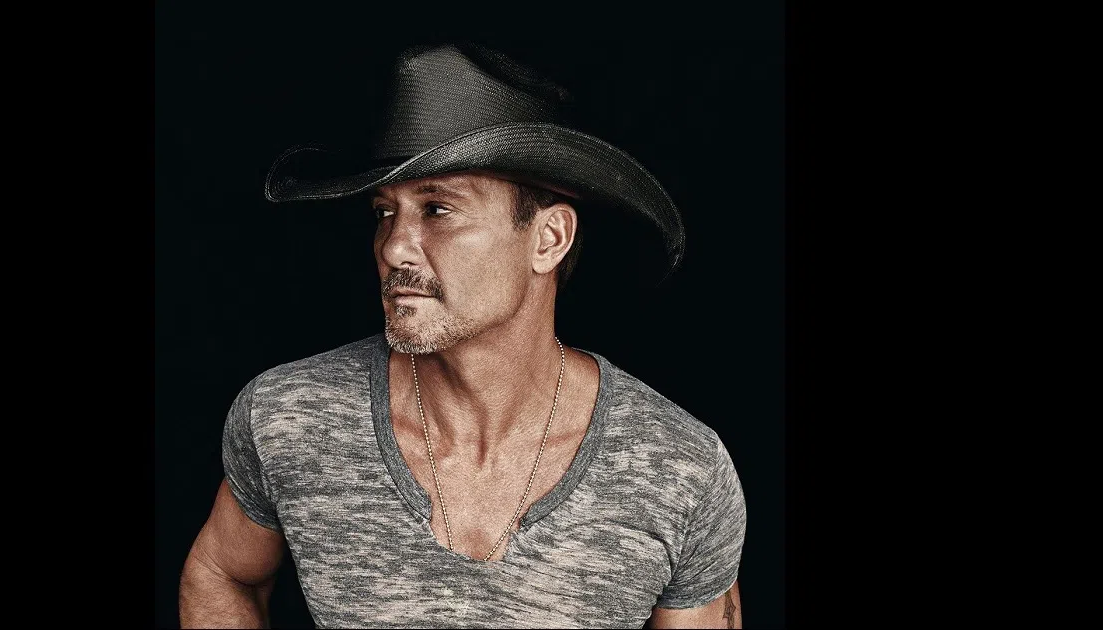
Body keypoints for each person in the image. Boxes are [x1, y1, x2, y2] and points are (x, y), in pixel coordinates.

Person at [179, 42, 746, 629]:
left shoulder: (680, 467)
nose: (394, 248)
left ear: (549, 239)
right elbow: (222, 572)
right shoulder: (288, 417)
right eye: (384, 212)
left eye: (437, 209)